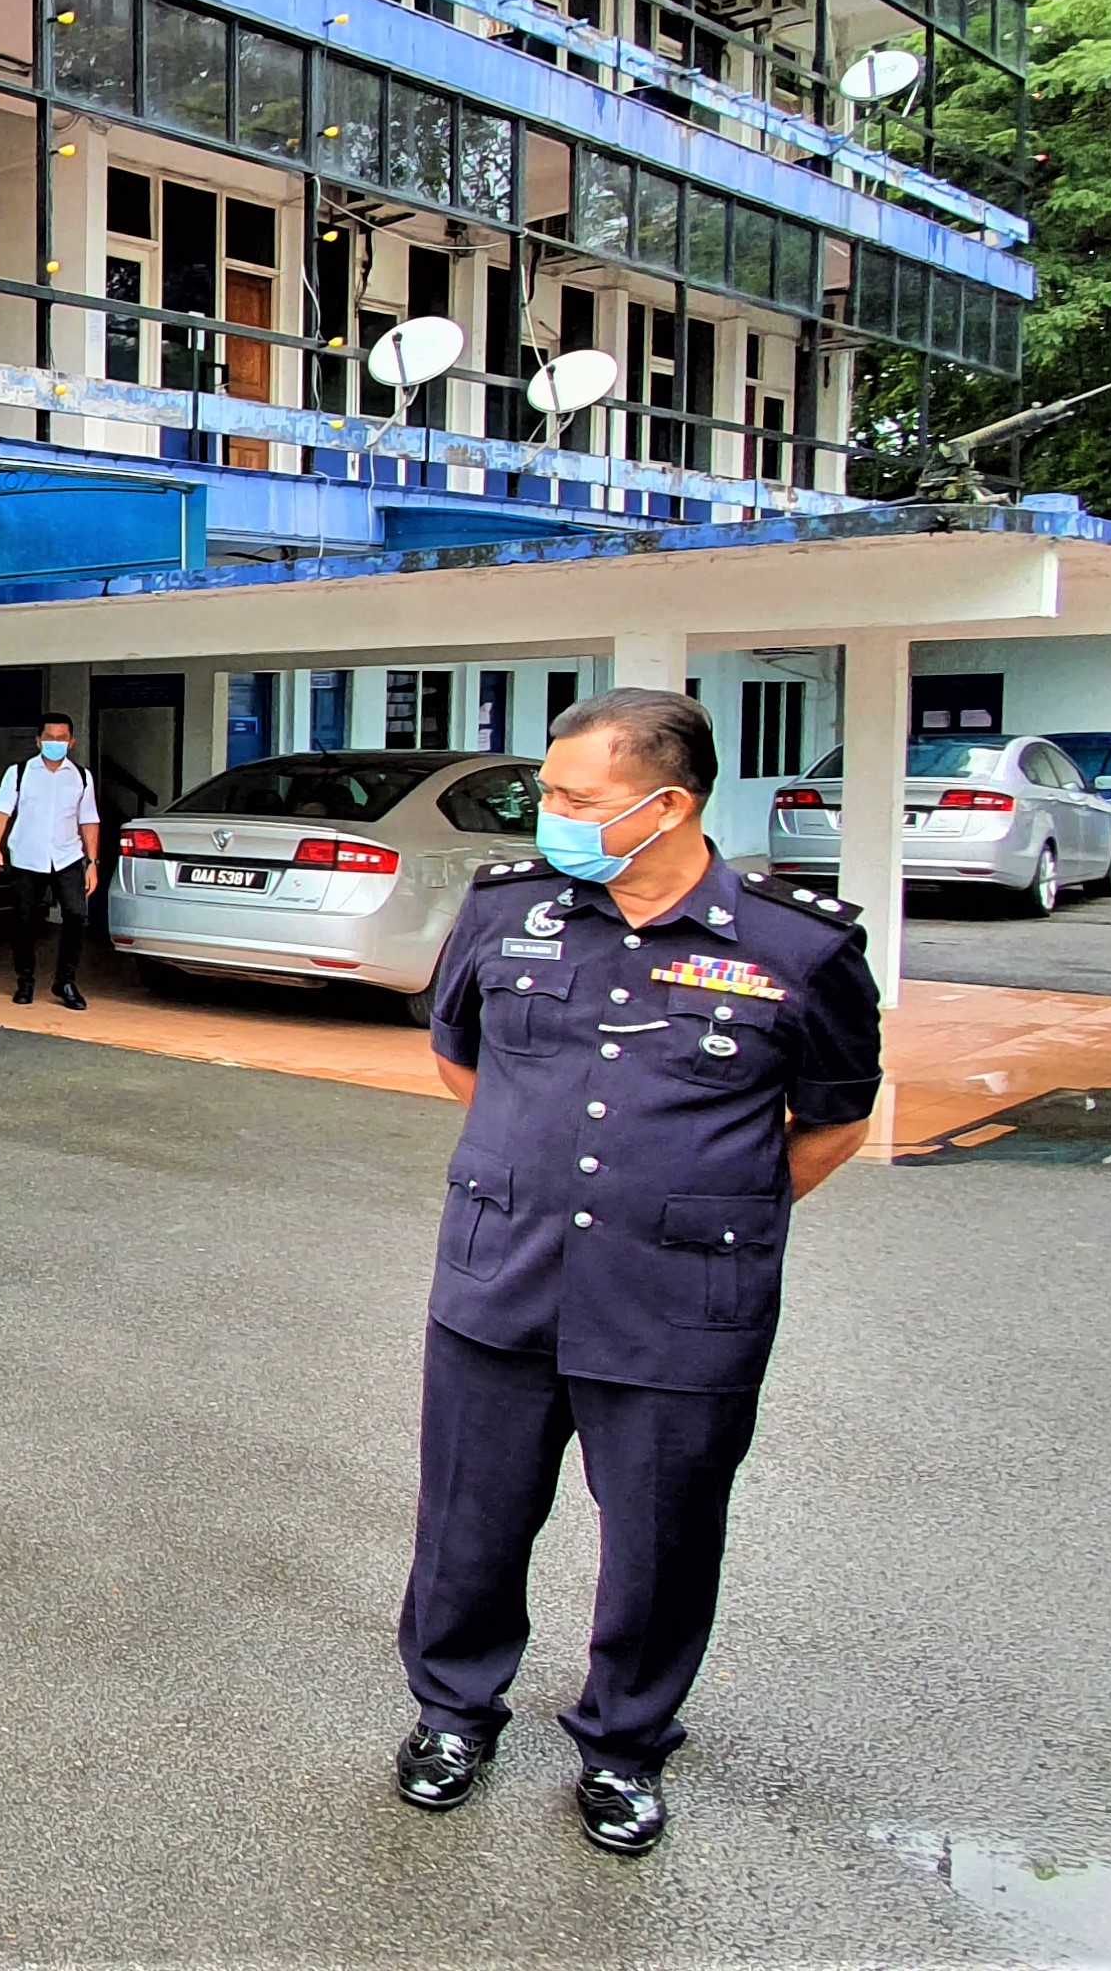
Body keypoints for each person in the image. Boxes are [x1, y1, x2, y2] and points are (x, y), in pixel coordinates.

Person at [389, 686, 882, 1856]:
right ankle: (454, 1712)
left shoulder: (797, 946)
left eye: (576, 797)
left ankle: (624, 1743)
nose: (550, 813)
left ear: (667, 805)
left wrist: (696, 1208)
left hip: (678, 1305)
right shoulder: (507, 912)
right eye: (548, 791)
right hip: (503, 1273)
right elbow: (464, 1061)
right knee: (468, 1516)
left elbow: (832, 1120)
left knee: (663, 1538)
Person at [0, 711, 101, 1008]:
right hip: (27, 858)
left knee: (76, 915)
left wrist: (92, 863)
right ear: (38, 740)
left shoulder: (82, 777)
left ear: (71, 742)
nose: (55, 743)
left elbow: (89, 821)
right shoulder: (19, 772)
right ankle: (25, 981)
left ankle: (65, 981)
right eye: (49, 737)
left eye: (62, 738)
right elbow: (1, 812)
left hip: (67, 857)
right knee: (23, 920)